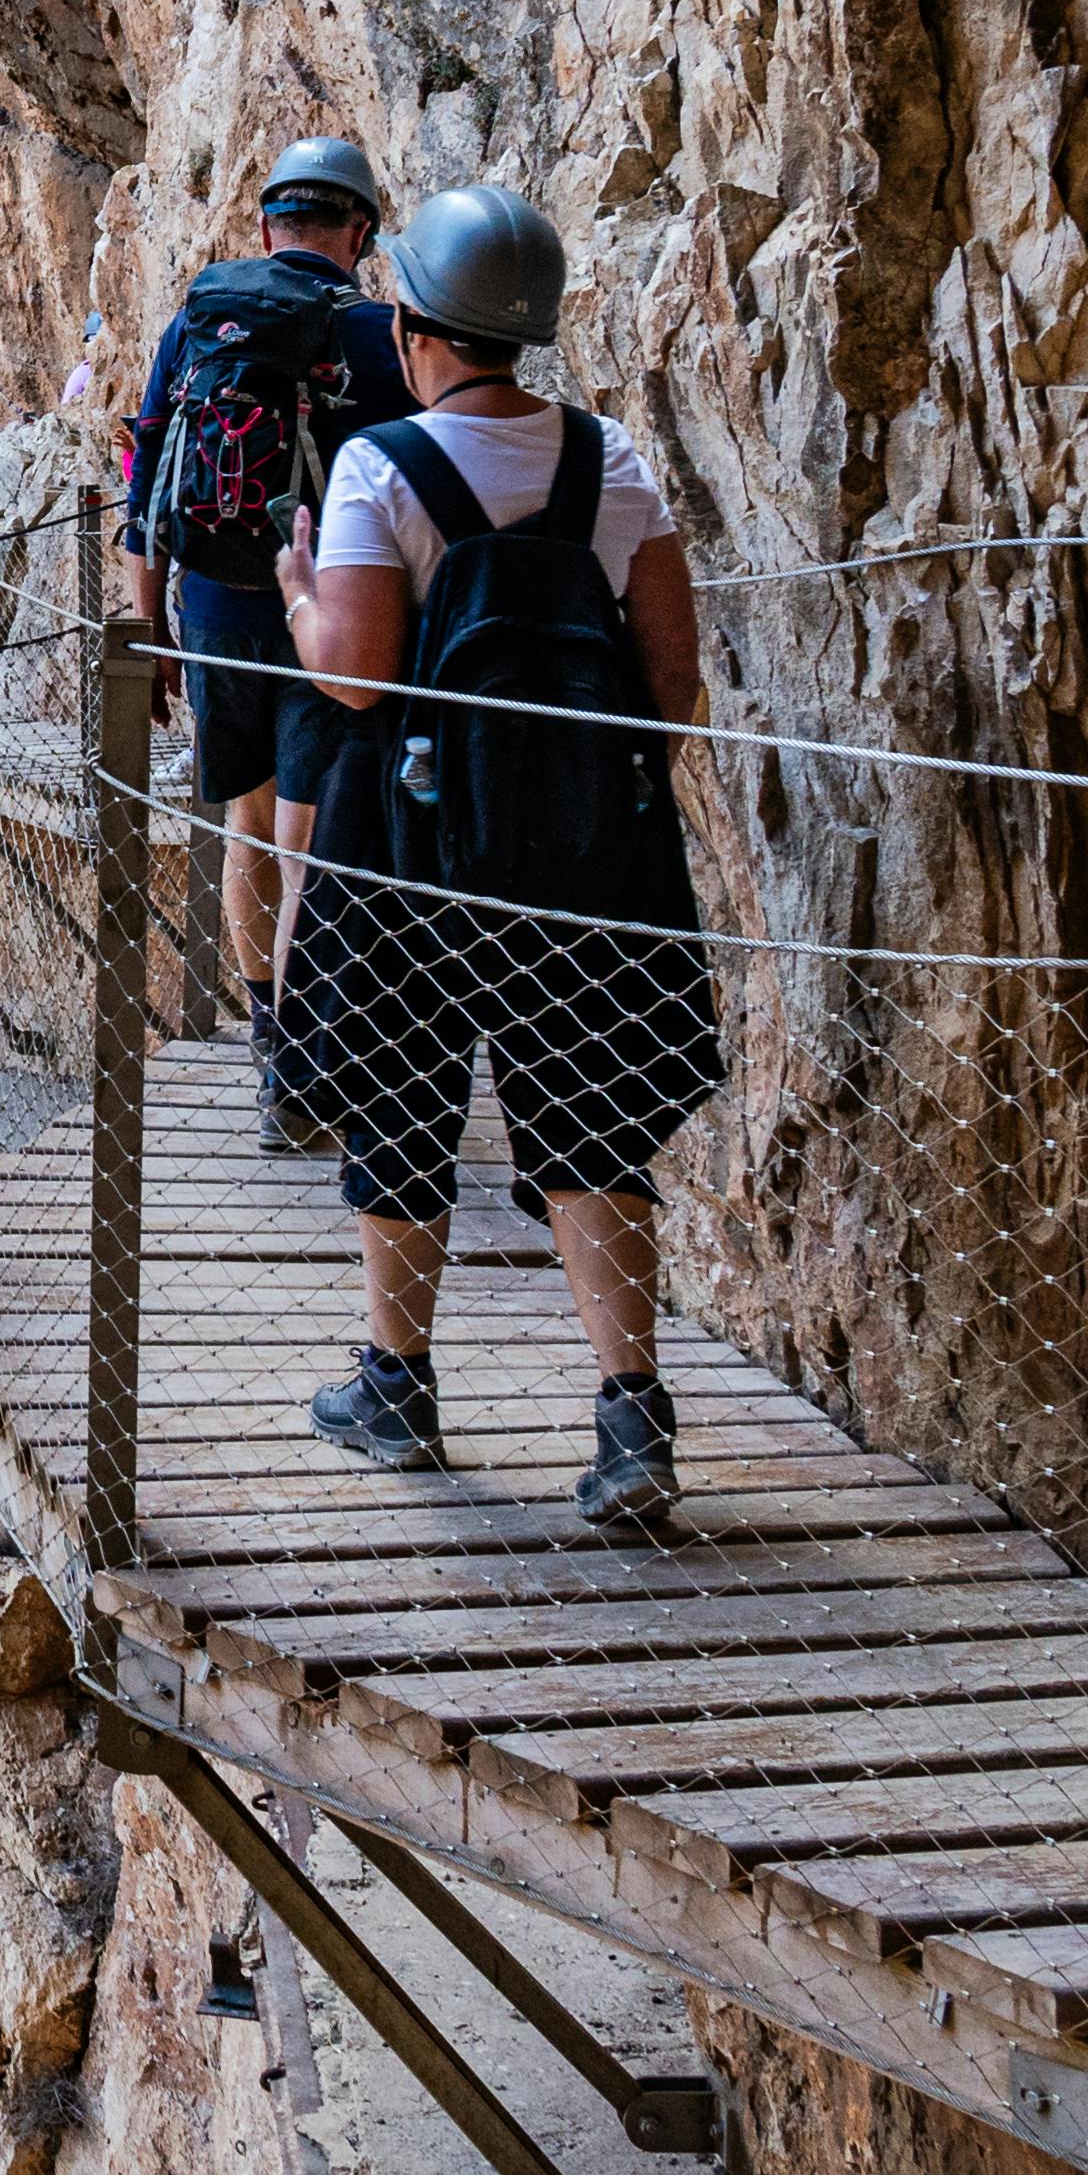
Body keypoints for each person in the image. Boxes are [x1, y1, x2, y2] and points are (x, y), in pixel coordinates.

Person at [277, 186, 721, 1529]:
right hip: (584, 845)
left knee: (397, 1101)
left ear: (413, 325)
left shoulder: (376, 467)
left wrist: (299, 595)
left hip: (411, 841)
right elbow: (669, 679)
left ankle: (396, 1384)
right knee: (589, 1114)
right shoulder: (611, 461)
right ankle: (629, 1414)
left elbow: (352, 680)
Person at [117, 137, 418, 1146]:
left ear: (265, 228)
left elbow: (147, 483)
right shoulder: (379, 337)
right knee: (305, 851)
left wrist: (148, 627)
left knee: (247, 829)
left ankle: (263, 1034)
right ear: (360, 233)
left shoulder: (199, 323)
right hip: (327, 609)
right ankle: (297, 1071)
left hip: (208, 606)